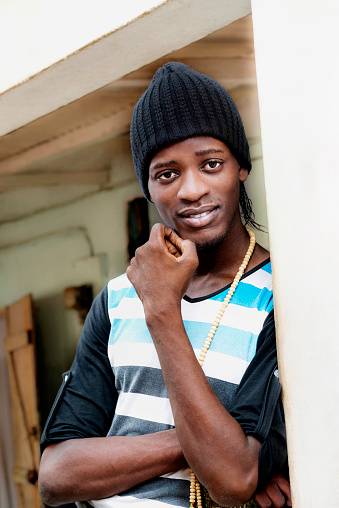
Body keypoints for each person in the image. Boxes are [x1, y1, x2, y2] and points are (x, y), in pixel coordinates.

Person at [39, 62, 291, 508]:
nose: (191, 190)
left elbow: (232, 481)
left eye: (211, 164)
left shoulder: (283, 298)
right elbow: (57, 475)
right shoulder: (118, 298)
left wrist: (161, 310)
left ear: (241, 169)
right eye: (167, 174)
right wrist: (207, 444)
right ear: (150, 190)